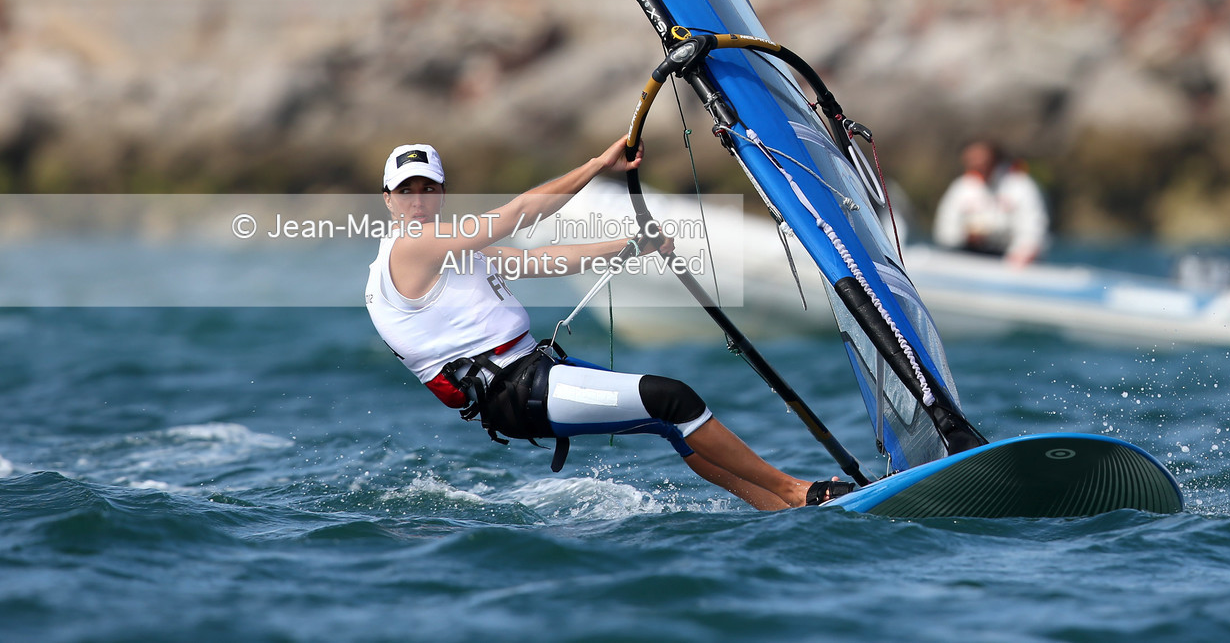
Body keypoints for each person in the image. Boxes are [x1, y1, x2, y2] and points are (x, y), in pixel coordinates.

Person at [364, 138, 854, 510]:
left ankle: (777, 506)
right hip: (514, 391)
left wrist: (629, 245)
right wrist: (600, 166)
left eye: (428, 189)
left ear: (442, 193)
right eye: (407, 192)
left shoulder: (450, 250)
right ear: (388, 200)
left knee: (673, 423)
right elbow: (517, 213)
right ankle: (798, 490)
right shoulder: (410, 248)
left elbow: (543, 260)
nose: (418, 200)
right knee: (673, 398)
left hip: (529, 376)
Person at [931, 140, 1050, 266]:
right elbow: (944, 229)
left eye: (982, 162)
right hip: (967, 256)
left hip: (1009, 260)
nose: (977, 165)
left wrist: (1017, 258)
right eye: (971, 162)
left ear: (995, 160)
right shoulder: (961, 187)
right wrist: (965, 237)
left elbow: (1034, 229)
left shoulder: (1021, 186)